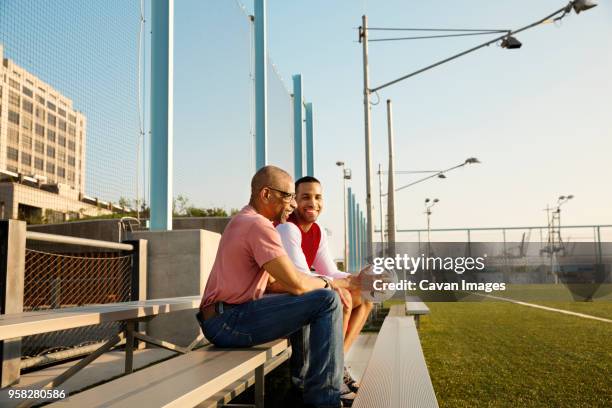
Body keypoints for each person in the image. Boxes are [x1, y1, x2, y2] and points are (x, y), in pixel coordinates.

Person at [197, 165, 348, 408]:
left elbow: (279, 284)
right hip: (228, 321)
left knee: (309, 301)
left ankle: (302, 389)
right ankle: (323, 401)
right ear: (266, 194)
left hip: (226, 316)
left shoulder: (247, 220)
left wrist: (312, 287)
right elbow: (297, 284)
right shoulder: (257, 225)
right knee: (325, 300)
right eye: (288, 196)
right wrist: (329, 283)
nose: (292, 204)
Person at [272, 176, 373, 405]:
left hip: (302, 292)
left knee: (365, 298)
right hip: (277, 300)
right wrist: (343, 285)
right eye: (305, 197)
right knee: (339, 298)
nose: (313, 203)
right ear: (294, 201)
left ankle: (337, 367)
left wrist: (357, 279)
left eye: (317, 197)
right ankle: (330, 375)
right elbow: (301, 277)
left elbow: (330, 271)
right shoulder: (288, 229)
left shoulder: (317, 231)